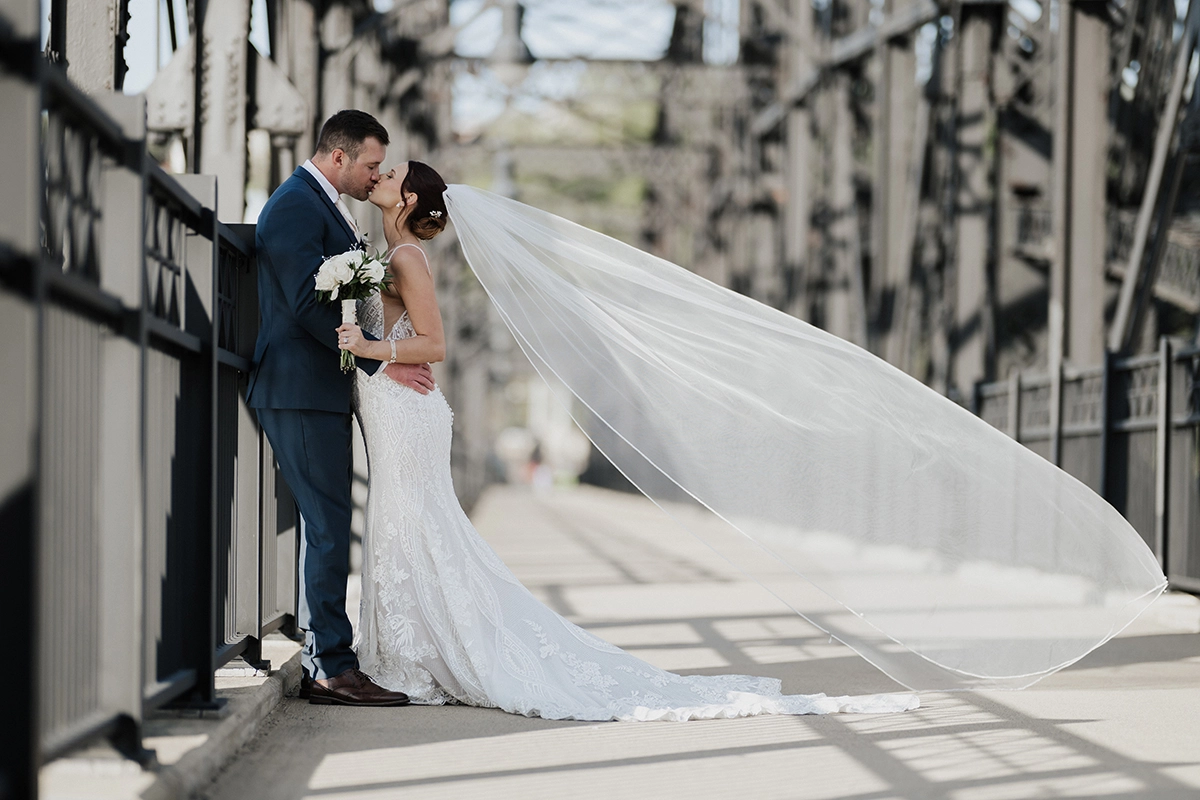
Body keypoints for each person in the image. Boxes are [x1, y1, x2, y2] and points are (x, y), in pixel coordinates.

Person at [334, 161, 919, 720]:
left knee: (412, 520)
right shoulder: (389, 256)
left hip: (409, 413)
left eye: (390, 175)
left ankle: (414, 660)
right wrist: (378, 357)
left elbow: (433, 344)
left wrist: (370, 350)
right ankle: (406, 654)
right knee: (406, 521)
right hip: (394, 403)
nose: (380, 177)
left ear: (408, 199)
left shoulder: (407, 257)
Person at [246, 110, 433, 707]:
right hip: (299, 388)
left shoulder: (323, 203)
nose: (375, 174)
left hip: (320, 389)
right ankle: (331, 665)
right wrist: (383, 360)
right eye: (372, 164)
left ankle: (328, 655)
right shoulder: (297, 205)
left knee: (327, 525)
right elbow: (305, 303)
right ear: (338, 157)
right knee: (328, 527)